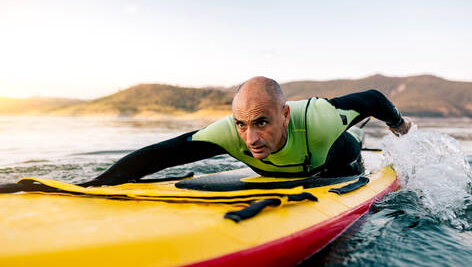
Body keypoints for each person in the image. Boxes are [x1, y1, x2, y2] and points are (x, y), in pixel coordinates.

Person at [81, 76, 411, 186]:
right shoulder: (229, 132)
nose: (250, 138)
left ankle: (357, 137)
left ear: (284, 115)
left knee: (352, 145)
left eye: (261, 123)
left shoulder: (319, 118)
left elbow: (373, 99)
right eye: (242, 124)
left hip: (337, 154)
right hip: (297, 162)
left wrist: (399, 125)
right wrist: (96, 185)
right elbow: (162, 154)